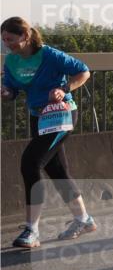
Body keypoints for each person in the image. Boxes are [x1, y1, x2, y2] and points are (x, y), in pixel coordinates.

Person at [1, 17, 96, 249]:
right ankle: (84, 220)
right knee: (56, 169)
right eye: (3, 39)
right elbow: (12, 89)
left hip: (60, 114)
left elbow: (83, 72)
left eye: (10, 39)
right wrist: (6, 92)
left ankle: (31, 230)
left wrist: (64, 89)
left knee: (30, 163)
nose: (6, 44)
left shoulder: (50, 55)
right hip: (38, 116)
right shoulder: (11, 62)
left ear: (25, 36)